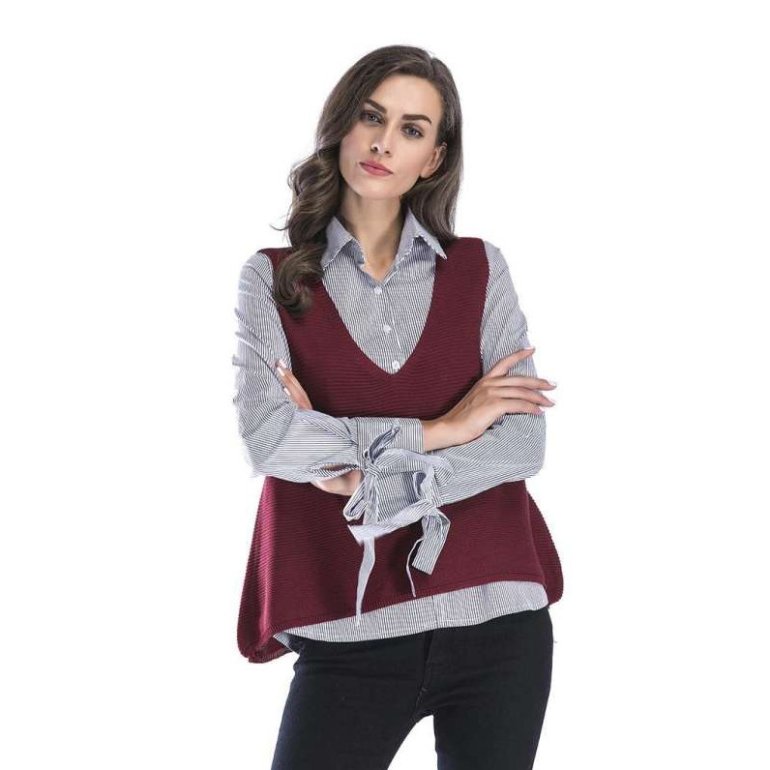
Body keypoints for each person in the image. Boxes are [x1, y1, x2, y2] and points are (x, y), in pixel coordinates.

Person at [232, 44, 563, 770]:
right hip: (352, 632)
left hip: (500, 620)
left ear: (434, 159)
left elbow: (521, 445)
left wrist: (370, 475)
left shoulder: (479, 268)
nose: (384, 142)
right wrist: (445, 428)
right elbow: (272, 439)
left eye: (412, 129)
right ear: (341, 126)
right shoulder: (274, 281)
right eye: (371, 117)